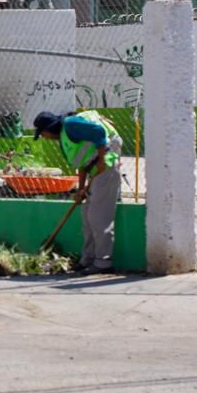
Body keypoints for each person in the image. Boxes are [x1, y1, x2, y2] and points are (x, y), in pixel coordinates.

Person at [34, 110, 123, 274]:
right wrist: (80, 189)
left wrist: (102, 160)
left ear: (50, 128)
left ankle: (103, 263)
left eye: (43, 133)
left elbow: (99, 132)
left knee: (98, 218)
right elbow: (82, 163)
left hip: (106, 168)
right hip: (94, 171)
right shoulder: (65, 138)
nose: (44, 137)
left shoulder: (70, 125)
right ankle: (87, 260)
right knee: (87, 217)